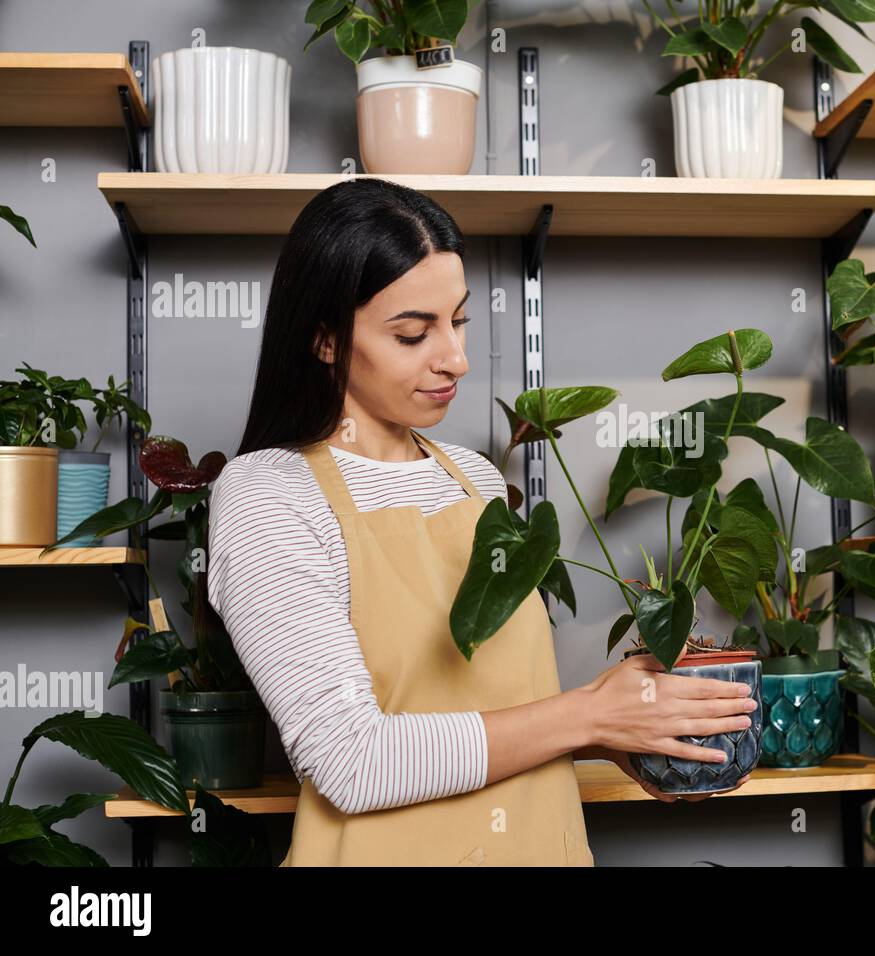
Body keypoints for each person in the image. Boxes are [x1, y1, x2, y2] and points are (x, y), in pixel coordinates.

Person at [207, 178, 756, 866]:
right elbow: (351, 761)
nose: (456, 360)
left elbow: (500, 710)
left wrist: (629, 728)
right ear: (324, 338)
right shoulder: (269, 495)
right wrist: (586, 712)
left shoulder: (471, 477)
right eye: (413, 333)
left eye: (459, 321)